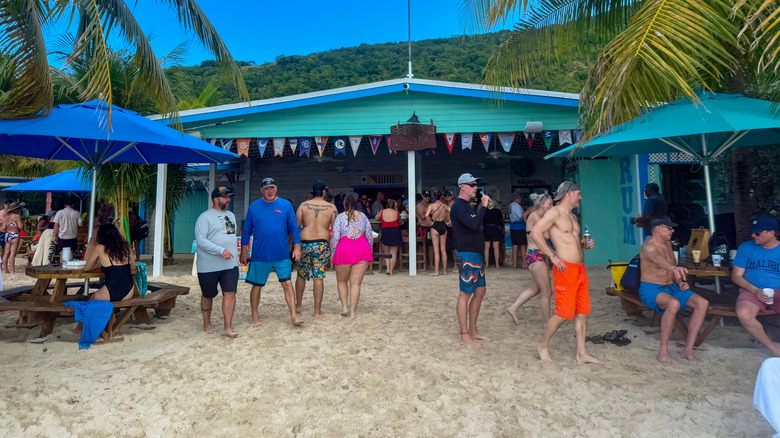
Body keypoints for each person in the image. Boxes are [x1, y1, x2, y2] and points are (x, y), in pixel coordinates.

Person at [530, 181, 604, 365]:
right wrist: (553, 257)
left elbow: (572, 242)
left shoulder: (572, 217)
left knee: (582, 312)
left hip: (580, 270)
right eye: (578, 193)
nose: (580, 197)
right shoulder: (554, 213)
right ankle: (543, 346)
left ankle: (581, 353)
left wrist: (584, 245)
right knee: (563, 313)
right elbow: (535, 233)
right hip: (565, 269)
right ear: (569, 194)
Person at [640, 217, 709, 363]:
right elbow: (656, 259)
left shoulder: (668, 244)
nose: (672, 230)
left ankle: (688, 349)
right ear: (658, 229)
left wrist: (680, 281)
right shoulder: (648, 246)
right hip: (651, 289)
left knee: (702, 303)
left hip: (672, 287)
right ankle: (663, 351)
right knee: (673, 304)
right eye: (669, 228)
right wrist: (674, 268)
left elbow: (672, 266)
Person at [239, 177, 303, 327]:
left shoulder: (286, 205)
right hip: (260, 254)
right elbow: (246, 230)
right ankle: (254, 316)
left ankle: (294, 316)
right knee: (257, 285)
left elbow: (294, 227)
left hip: (281, 253)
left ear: (276, 188)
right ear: (261, 190)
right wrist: (244, 251)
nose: (269, 191)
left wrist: (297, 247)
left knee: (287, 283)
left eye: (272, 188)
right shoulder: (254, 207)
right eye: (266, 188)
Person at [451, 173, 491, 347]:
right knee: (465, 293)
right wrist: (483, 207)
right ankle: (464, 334)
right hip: (464, 254)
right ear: (463, 187)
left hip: (474, 253)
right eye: (472, 184)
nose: (476, 187)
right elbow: (473, 225)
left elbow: (474, 225)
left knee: (480, 291)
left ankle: (473, 330)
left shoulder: (466, 206)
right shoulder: (458, 206)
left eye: (476, 184)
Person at [732, 215, 780, 357]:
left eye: (758, 233)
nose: (753, 235)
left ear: (771, 233)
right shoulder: (746, 247)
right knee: (744, 314)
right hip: (752, 291)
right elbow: (736, 276)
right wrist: (755, 290)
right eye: (752, 231)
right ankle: (773, 348)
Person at [194, 187, 239, 338]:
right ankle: (206, 323)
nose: (228, 200)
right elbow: (200, 241)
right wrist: (220, 250)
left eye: (229, 197)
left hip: (230, 265)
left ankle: (228, 326)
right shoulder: (204, 217)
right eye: (225, 197)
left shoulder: (231, 215)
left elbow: (231, 238)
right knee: (208, 295)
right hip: (208, 265)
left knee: (230, 293)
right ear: (216, 199)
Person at [507, 193, 554, 326]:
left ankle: (513, 308)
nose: (551, 207)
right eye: (549, 204)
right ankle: (547, 323)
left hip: (533, 254)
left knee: (535, 289)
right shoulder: (535, 216)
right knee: (547, 291)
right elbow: (546, 235)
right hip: (536, 255)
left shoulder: (539, 216)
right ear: (542, 204)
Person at [295, 181, 337, 317]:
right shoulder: (331, 208)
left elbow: (296, 228)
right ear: (324, 192)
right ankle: (317, 311)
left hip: (305, 243)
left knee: (301, 275)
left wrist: (294, 246)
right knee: (318, 277)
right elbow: (334, 231)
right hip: (321, 244)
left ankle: (298, 305)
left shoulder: (303, 205)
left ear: (313, 192)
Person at [332, 192, 374, 317]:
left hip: (345, 247)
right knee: (356, 283)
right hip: (361, 246)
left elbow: (335, 237)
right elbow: (369, 236)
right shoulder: (363, 217)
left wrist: (333, 253)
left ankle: (344, 307)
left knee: (341, 281)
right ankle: (353, 312)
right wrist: (370, 251)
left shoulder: (340, 217)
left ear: (345, 203)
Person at [84, 224, 136, 302]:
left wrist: (92, 240)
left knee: (91, 300)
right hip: (129, 291)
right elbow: (133, 267)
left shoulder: (100, 248)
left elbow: (87, 267)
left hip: (111, 289)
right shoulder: (126, 247)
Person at [426, 191, 450, 276]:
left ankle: (436, 271)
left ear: (434, 197)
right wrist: (448, 222)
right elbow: (452, 212)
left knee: (436, 251)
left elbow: (426, 215)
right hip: (443, 225)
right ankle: (444, 271)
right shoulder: (445, 206)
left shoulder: (431, 206)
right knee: (443, 250)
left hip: (435, 226)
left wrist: (430, 223)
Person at [376, 199, 402, 275]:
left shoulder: (382, 211)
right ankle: (391, 271)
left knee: (386, 251)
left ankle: (387, 268)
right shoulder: (396, 212)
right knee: (393, 252)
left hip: (385, 231)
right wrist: (396, 209)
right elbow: (399, 217)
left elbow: (376, 218)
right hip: (395, 231)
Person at [2, 202, 24, 273]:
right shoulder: (17, 216)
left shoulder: (6, 217)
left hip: (8, 234)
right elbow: (20, 226)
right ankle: (12, 270)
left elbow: (3, 228)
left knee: (6, 253)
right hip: (15, 234)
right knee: (12, 254)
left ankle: (5, 269)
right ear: (15, 209)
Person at [482, 201, 504, 269]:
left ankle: (487, 264)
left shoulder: (485, 211)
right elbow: (501, 221)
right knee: (496, 247)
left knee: (486, 248)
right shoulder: (498, 211)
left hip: (487, 229)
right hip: (495, 229)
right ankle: (497, 265)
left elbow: (482, 221)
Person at [509, 192, 527, 268]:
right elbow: (520, 216)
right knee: (523, 245)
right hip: (520, 227)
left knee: (515, 246)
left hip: (512, 227)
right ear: (515, 199)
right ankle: (524, 263)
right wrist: (525, 215)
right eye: (519, 198)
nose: (520, 199)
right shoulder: (517, 206)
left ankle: (515, 264)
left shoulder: (510, 205)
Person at [417, 190, 433, 270]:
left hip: (429, 227)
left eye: (428, 196)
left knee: (431, 246)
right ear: (423, 196)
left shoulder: (430, 204)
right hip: (422, 228)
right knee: (421, 247)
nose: (427, 198)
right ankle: (420, 265)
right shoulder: (420, 205)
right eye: (426, 196)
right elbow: (423, 216)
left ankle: (430, 264)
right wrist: (430, 213)